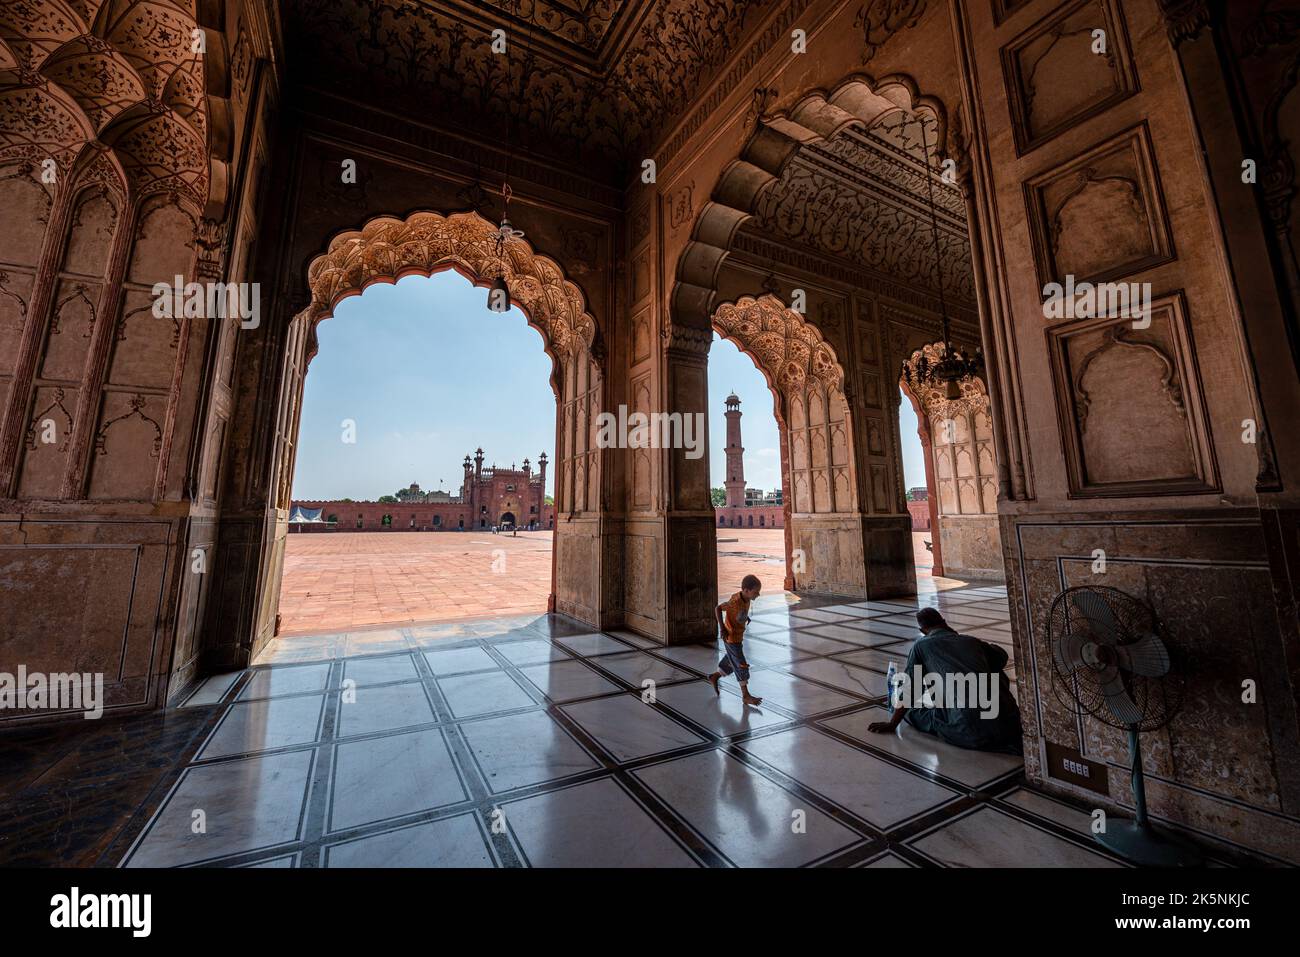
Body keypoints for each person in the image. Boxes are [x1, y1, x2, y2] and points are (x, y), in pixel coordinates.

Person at [868, 607, 1022, 754]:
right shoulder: (971, 641)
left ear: (922, 631)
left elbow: (911, 689)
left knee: (913, 712)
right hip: (1007, 724)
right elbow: (1001, 657)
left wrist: (892, 724)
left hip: (967, 729)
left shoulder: (921, 645)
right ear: (944, 621)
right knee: (991, 665)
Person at [708, 574, 763, 706]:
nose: (758, 595)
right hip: (731, 637)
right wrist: (722, 628)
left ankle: (715, 676)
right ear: (746, 590)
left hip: (738, 637)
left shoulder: (746, 599)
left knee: (732, 660)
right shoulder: (734, 602)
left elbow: (740, 612)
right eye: (756, 592)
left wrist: (745, 617)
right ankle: (746, 696)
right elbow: (718, 608)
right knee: (741, 665)